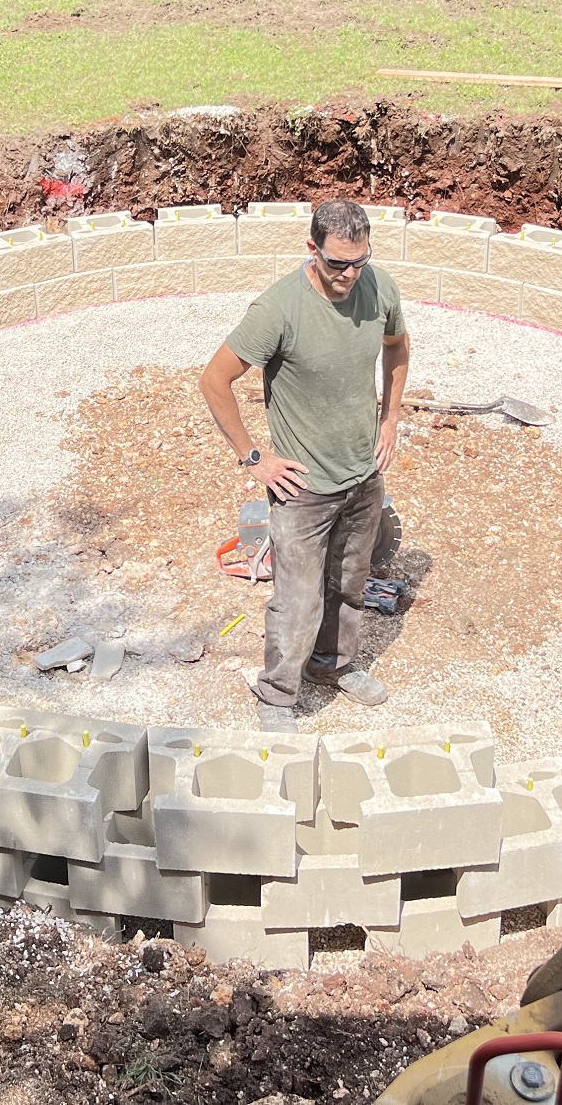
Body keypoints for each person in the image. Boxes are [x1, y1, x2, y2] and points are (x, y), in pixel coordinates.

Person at [199, 200, 411, 731]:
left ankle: (332, 666)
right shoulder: (278, 310)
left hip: (363, 477)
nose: (349, 274)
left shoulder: (378, 287)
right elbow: (214, 380)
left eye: (359, 261)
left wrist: (389, 420)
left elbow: (398, 346)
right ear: (312, 249)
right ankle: (276, 697)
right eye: (338, 263)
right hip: (303, 489)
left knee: (349, 582)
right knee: (296, 602)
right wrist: (255, 458)